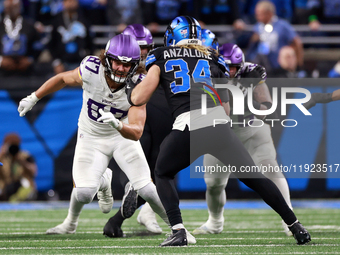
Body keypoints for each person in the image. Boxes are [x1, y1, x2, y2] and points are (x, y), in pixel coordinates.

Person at [128, 15, 311, 246]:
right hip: (219, 124)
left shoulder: (161, 55)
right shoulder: (213, 58)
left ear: (173, 36)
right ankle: (296, 226)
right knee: (255, 177)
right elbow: (225, 107)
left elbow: (140, 97)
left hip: (188, 123)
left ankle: (178, 230)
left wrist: (131, 91)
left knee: (162, 173)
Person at [17, 34, 171, 236]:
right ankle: (75, 217)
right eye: (117, 62)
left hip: (121, 137)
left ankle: (178, 228)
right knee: (83, 193)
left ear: (135, 65)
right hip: (90, 136)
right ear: (107, 58)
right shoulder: (91, 69)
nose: (121, 68)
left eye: (127, 64)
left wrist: (117, 124)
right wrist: (34, 97)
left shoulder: (139, 83)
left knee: (147, 189)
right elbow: (63, 78)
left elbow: (136, 132)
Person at [192, 43, 294, 236]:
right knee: (213, 184)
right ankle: (215, 223)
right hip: (221, 134)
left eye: (234, 67)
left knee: (271, 169)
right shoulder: (205, 72)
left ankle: (289, 220)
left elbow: (266, 107)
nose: (230, 72)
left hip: (251, 130)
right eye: (226, 66)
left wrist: (256, 105)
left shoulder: (252, 73)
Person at [103, 24, 173, 237]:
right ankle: (131, 200)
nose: (143, 52)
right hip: (127, 121)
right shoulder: (117, 66)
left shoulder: (156, 63)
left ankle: (124, 219)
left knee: (157, 171)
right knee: (140, 169)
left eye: (147, 47)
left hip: (153, 116)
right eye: (138, 47)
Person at [247, 0, 304, 74]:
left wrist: (299, 64)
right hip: (260, 66)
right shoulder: (257, 27)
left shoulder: (282, 25)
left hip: (278, 67)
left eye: (260, 14)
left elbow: (297, 42)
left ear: (269, 13)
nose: (257, 17)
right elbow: (251, 48)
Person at [48, 0, 94, 74]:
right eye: (68, 1)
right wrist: (56, 62)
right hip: (62, 62)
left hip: (80, 62)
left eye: (73, 1)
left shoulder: (84, 19)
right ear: (63, 3)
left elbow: (90, 43)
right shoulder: (56, 20)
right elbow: (51, 43)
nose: (71, 3)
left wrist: (87, 63)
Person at [0, 0, 42, 76]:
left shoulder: (29, 25)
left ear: (19, 7)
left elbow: (38, 46)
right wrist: (1, 60)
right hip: (2, 72)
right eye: (9, 8)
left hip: (26, 71)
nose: (11, 10)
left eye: (14, 7)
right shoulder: (0, 26)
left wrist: (30, 59)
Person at [0, 133, 37, 201]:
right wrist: (1, 154)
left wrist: (22, 162)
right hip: (5, 188)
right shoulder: (2, 158)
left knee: (26, 187)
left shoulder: (25, 156)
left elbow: (34, 172)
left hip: (22, 187)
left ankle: (16, 199)